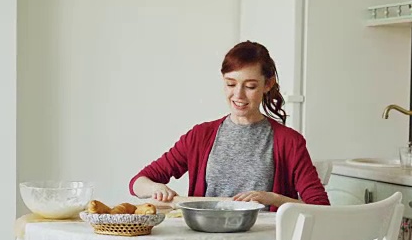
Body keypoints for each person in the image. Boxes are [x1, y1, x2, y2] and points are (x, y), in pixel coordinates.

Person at [129, 41, 329, 210]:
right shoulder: (200, 136)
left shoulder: (289, 142)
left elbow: (320, 207)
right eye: (231, 84)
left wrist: (273, 199)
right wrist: (155, 188)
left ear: (267, 85)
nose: (238, 95)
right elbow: (138, 182)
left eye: (250, 86)